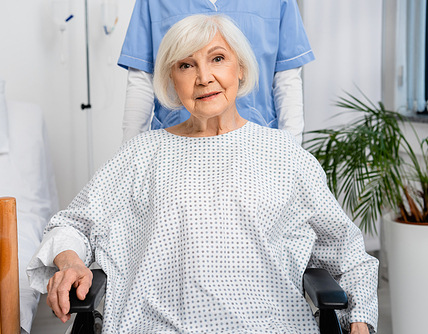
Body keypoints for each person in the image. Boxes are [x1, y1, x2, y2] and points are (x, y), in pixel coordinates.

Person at [27, 14, 378, 334]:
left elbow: (347, 253)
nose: (204, 77)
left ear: (240, 68)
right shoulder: (141, 153)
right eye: (186, 65)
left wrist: (359, 321)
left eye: (218, 58)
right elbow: (70, 224)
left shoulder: (285, 154)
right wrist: (71, 261)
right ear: (171, 79)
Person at [118, 0, 314, 144]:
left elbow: (287, 80)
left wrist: (292, 149)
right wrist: (129, 156)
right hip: (175, 142)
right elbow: (141, 81)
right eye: (187, 65)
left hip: (258, 138)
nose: (204, 78)